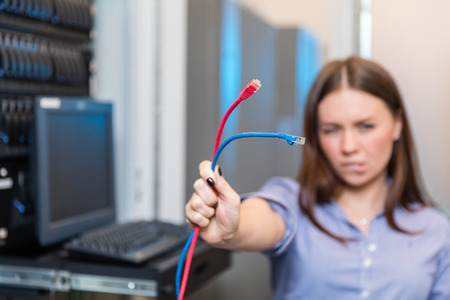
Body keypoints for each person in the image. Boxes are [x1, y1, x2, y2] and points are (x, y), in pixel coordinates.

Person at [185, 56, 450, 299]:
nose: (348, 146)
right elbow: (260, 220)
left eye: (365, 126)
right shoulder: (291, 202)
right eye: (331, 130)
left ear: (397, 125)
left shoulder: (437, 230)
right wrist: (233, 229)